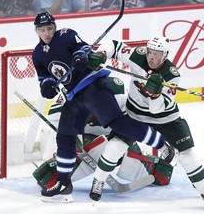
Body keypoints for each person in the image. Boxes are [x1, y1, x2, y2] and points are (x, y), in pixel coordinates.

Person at [32, 12, 179, 202]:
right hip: (74, 94)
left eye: (50, 28)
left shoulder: (66, 35)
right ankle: (63, 184)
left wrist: (80, 55)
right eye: (42, 30)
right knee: (65, 134)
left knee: (117, 123)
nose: (47, 33)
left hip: (92, 84)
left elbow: (83, 48)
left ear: (54, 26)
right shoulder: (37, 54)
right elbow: (44, 79)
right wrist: (48, 88)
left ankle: (162, 144)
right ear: (37, 31)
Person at [90, 36, 204, 207]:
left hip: (166, 119)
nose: (151, 57)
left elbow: (157, 110)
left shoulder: (171, 75)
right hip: (135, 115)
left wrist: (155, 94)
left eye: (157, 54)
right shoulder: (138, 55)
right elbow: (115, 45)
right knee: (115, 146)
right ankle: (98, 182)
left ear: (165, 55)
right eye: (150, 52)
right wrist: (102, 53)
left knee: (187, 155)